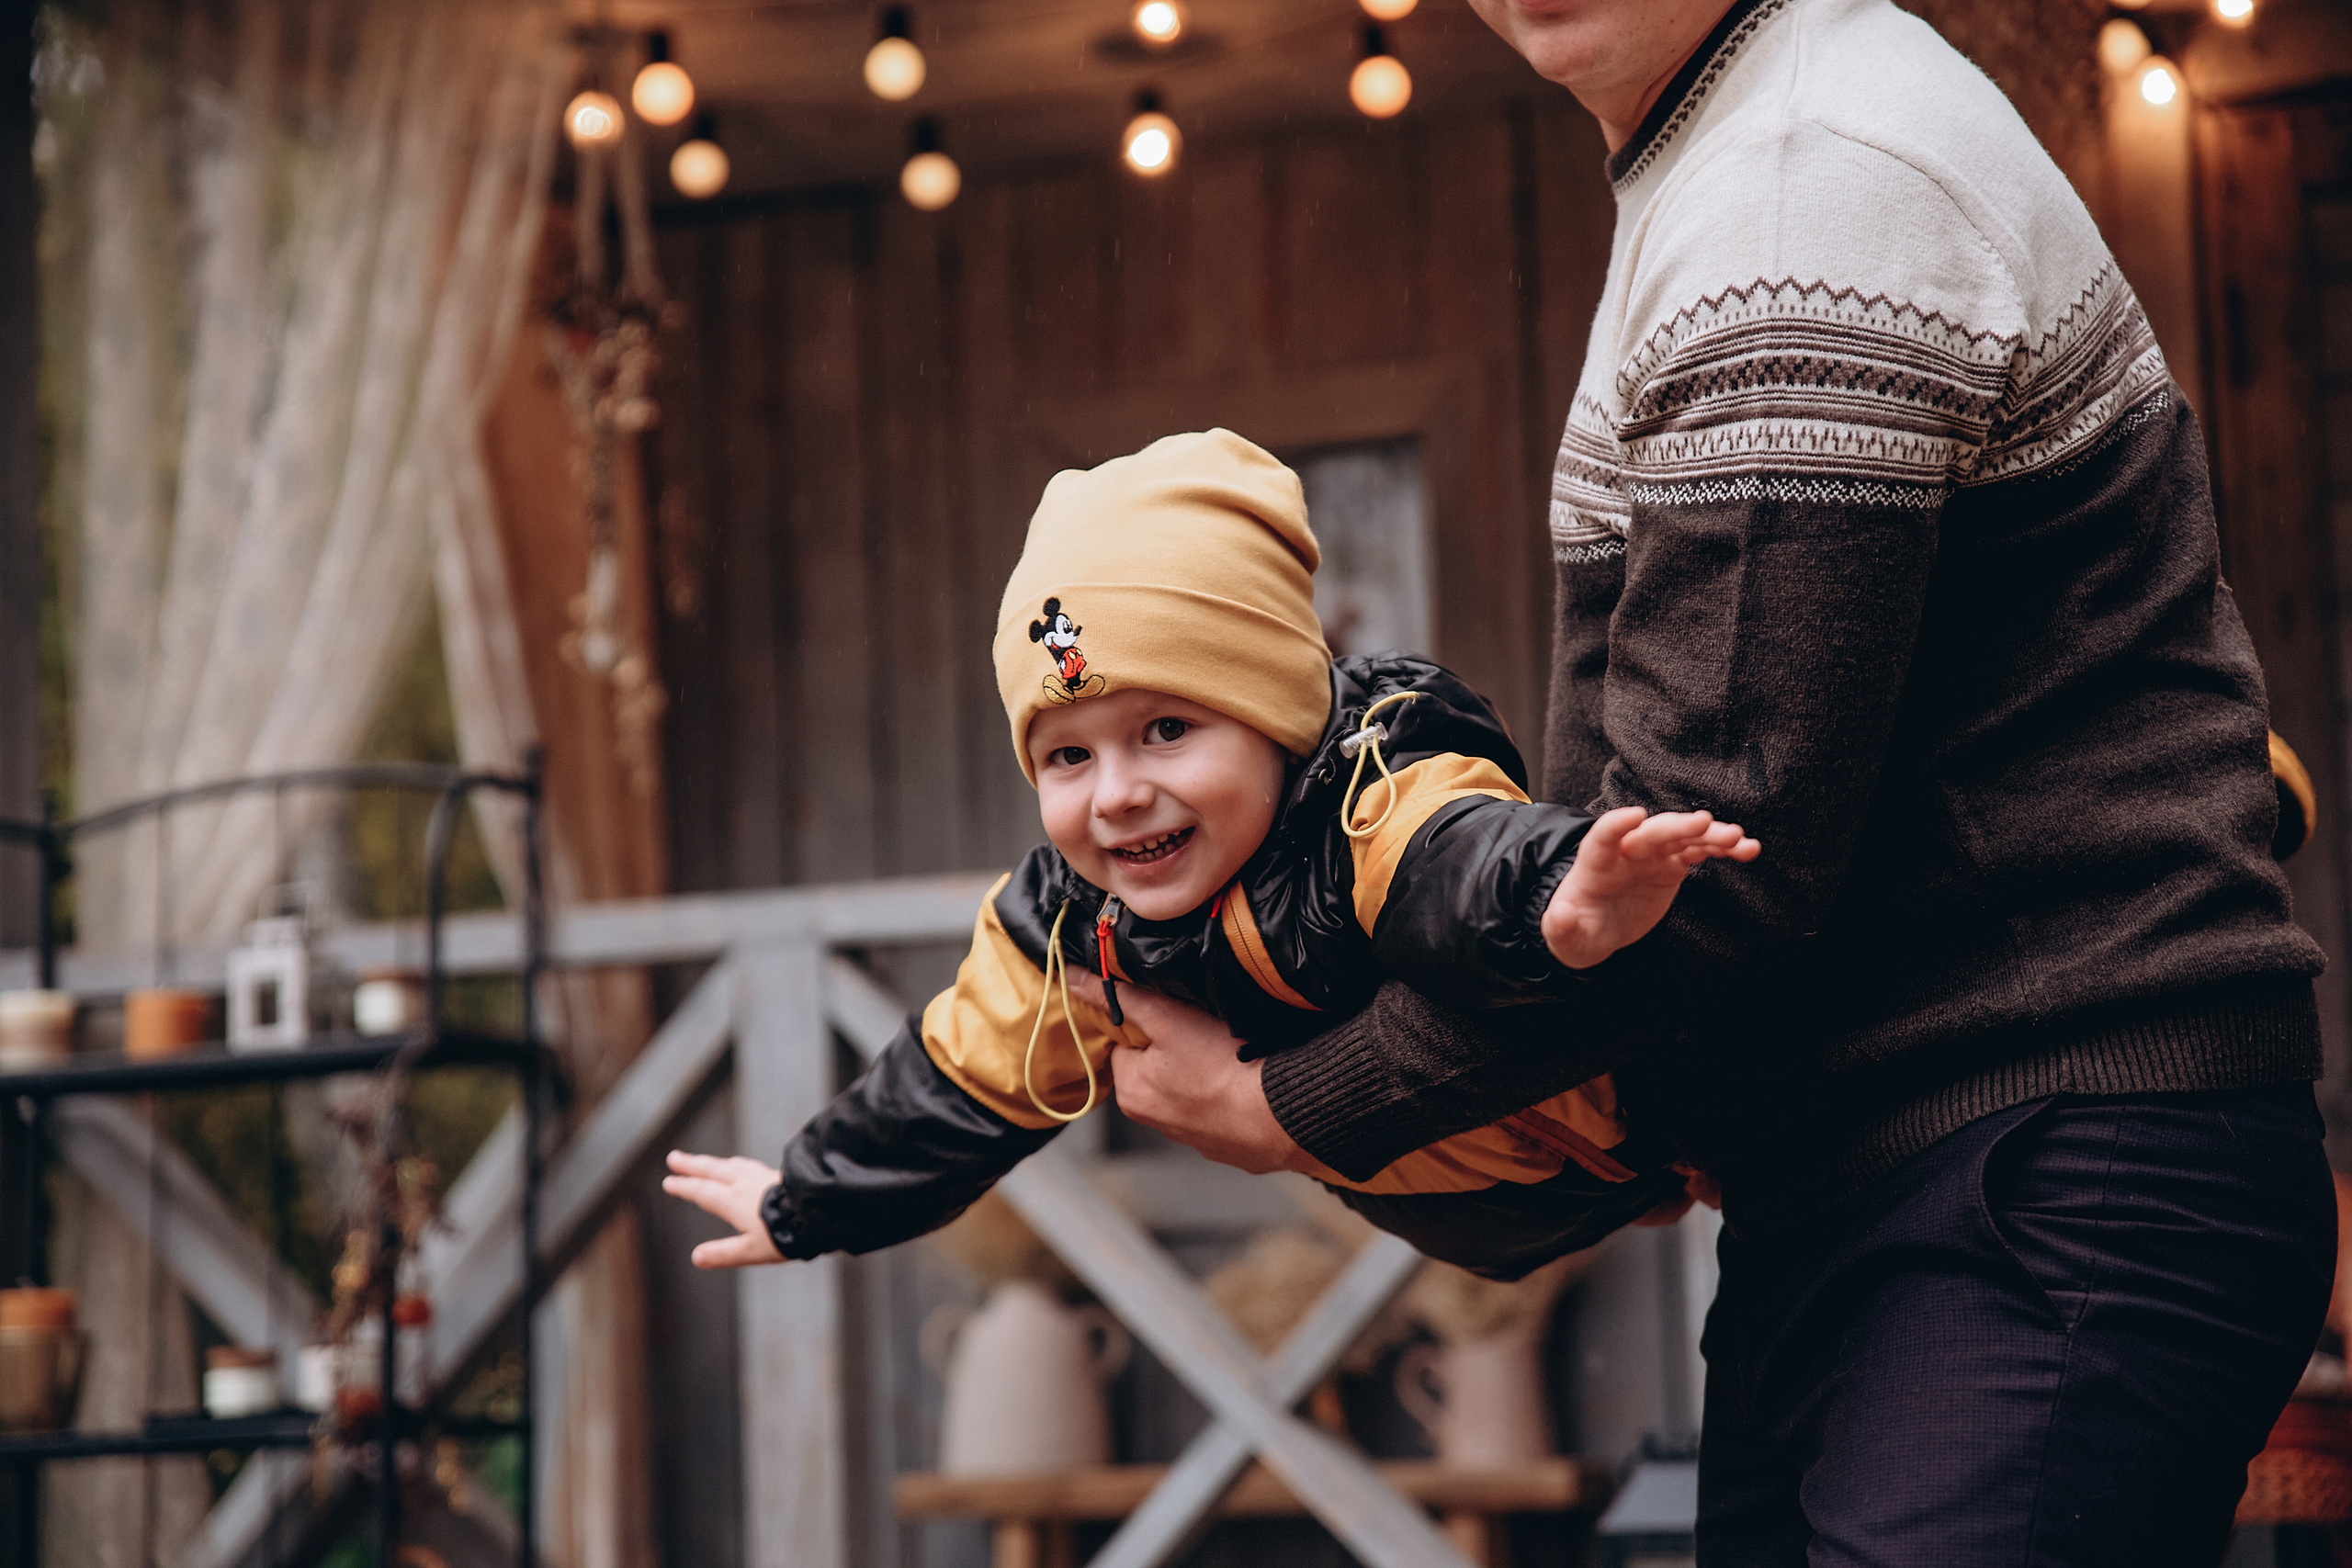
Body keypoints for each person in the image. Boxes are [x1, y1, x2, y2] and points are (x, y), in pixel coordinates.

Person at [1093, 3, 2340, 1564]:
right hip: (1895, 1166)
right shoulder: (1728, 144)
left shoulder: (1798, 178)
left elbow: (1711, 880)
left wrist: (1290, 1104)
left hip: (2040, 1166)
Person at [662, 428, 1757, 1280]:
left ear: (1275, 715)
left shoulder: (1363, 793)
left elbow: (1451, 855)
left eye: (1168, 731)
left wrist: (1559, 897)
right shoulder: (1075, 924)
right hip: (1496, 1213)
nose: (1120, 794)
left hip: (1656, 1116)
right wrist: (802, 1201)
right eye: (1067, 757)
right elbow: (957, 1077)